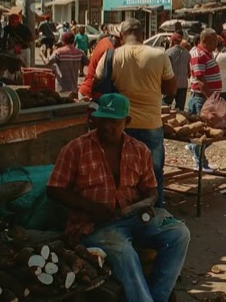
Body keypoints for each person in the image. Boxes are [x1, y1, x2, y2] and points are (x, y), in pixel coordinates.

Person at [47, 93, 189, 302]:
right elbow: (54, 189)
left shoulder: (139, 150)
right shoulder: (76, 148)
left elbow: (151, 191)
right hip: (93, 225)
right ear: (95, 119)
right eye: (103, 120)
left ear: (127, 122)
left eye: (114, 122)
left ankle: (158, 297)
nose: (107, 126)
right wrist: (90, 207)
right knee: (123, 251)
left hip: (132, 217)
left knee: (179, 233)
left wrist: (142, 205)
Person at [96, 18, 176, 207]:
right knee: (154, 176)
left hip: (120, 127)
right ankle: (155, 216)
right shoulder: (159, 55)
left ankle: (122, 213)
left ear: (121, 36)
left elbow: (98, 84)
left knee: (121, 175)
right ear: (143, 35)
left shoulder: (110, 56)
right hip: (151, 125)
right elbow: (171, 89)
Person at [186, 29, 222, 170]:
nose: (216, 44)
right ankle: (199, 161)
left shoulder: (207, 54)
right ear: (205, 41)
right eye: (213, 41)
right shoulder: (198, 54)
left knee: (212, 130)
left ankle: (199, 155)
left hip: (208, 98)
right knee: (203, 131)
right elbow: (200, 81)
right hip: (201, 98)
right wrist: (210, 99)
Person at [79, 24, 120, 102]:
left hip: (88, 89)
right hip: (93, 94)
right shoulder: (111, 50)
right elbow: (104, 77)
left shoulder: (105, 41)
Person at [165, 33, 191, 111]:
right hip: (183, 85)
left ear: (172, 41)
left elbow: (166, 70)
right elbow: (188, 70)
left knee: (165, 105)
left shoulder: (168, 52)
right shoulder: (187, 53)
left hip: (171, 84)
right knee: (180, 109)